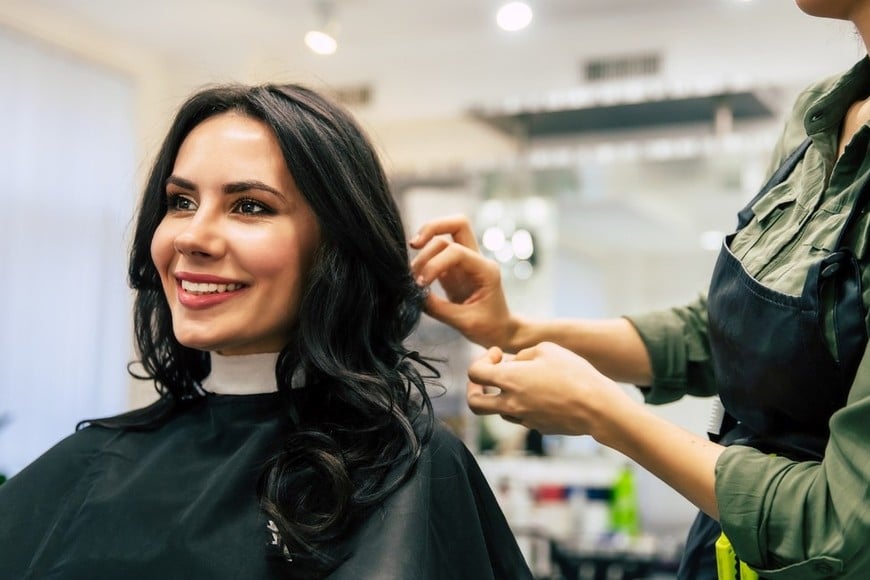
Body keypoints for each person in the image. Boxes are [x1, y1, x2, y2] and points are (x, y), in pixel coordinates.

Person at [409, 2, 870, 578]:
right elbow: (730, 334)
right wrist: (516, 330)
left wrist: (604, 414)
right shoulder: (818, 115)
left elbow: (845, 528)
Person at [0, 83, 533, 579]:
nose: (192, 236)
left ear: (337, 247)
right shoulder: (94, 462)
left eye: (249, 206)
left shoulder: (408, 470)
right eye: (181, 202)